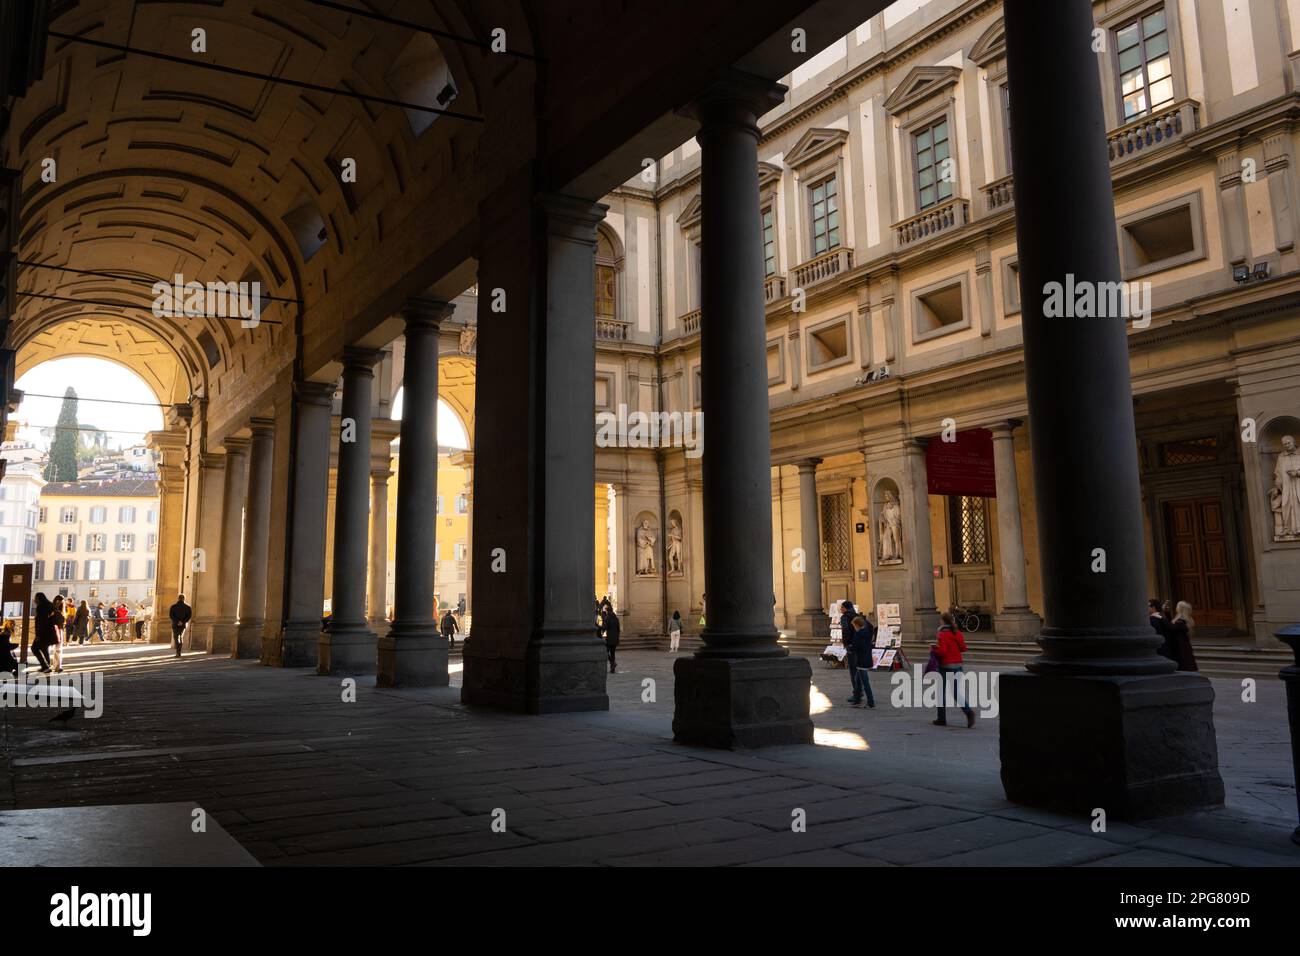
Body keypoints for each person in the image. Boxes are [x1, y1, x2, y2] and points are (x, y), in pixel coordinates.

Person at [932, 611, 975, 728]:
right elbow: (963, 648)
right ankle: (968, 711)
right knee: (955, 692)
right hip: (958, 665)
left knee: (941, 693)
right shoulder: (957, 633)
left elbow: (943, 652)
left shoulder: (942, 634)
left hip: (945, 666)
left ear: (942, 621)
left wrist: (934, 649)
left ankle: (941, 719)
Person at [849, 614, 876, 708]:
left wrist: (850, 648)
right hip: (867, 658)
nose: (854, 628)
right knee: (858, 680)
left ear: (857, 625)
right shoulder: (868, 632)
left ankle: (870, 702)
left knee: (865, 682)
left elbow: (855, 647)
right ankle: (857, 699)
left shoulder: (858, 634)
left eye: (854, 626)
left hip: (861, 660)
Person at [838, 600, 862, 703]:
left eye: (841, 607)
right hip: (860, 646)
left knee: (853, 670)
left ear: (845, 608)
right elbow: (862, 629)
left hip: (851, 646)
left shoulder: (845, 617)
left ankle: (856, 693)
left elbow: (845, 630)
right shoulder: (856, 616)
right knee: (860, 669)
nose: (840, 609)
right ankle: (860, 691)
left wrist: (847, 644)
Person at [1166, 601, 1199, 672]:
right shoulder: (1186, 619)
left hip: (1180, 646)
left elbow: (1170, 628)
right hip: (1183, 645)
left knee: (1183, 664)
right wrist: (1167, 613)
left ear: (1180, 609)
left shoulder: (1180, 622)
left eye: (1177, 606)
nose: (1176, 608)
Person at [31, 593, 55, 673]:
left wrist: (38, 634)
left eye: (35, 598)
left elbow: (41, 622)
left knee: (34, 648)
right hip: (49, 631)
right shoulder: (50, 605)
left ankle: (44, 666)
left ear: (38, 598)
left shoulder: (41, 607)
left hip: (42, 632)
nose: (34, 599)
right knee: (44, 648)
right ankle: (47, 666)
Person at [169, 593, 192, 658]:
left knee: (176, 637)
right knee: (180, 636)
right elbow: (189, 616)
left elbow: (171, 615)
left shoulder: (173, 606)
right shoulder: (188, 607)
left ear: (178, 598)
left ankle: (178, 652)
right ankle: (179, 652)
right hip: (183, 624)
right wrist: (182, 622)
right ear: (184, 599)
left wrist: (177, 621)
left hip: (175, 624)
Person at [600, 600, 620, 674]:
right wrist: (618, 638)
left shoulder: (608, 618)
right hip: (615, 638)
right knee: (613, 653)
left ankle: (612, 663)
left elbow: (604, 627)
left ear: (608, 611)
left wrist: (599, 628)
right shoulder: (616, 618)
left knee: (606, 651)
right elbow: (618, 629)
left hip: (610, 638)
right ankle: (612, 668)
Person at [50, 595, 67, 673]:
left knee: (58, 649)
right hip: (54, 629)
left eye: (61, 601)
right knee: (55, 649)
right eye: (58, 601)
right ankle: (53, 666)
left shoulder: (61, 611)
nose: (59, 603)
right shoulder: (52, 609)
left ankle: (57, 666)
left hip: (59, 630)